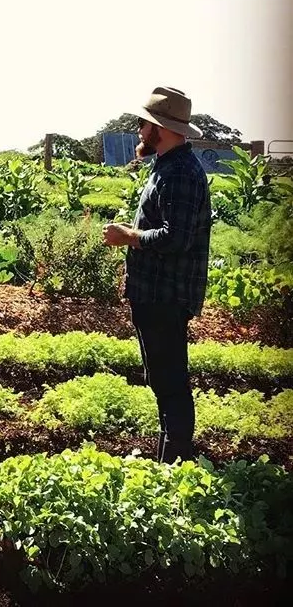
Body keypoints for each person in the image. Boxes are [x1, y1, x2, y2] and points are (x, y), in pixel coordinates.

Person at [103, 86, 211, 464]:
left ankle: (175, 468)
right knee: (164, 381)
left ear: (158, 129)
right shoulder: (167, 165)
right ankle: (170, 463)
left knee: (170, 385)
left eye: (142, 124)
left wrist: (127, 236)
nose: (138, 130)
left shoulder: (179, 172)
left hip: (165, 295)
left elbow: (176, 238)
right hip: (155, 293)